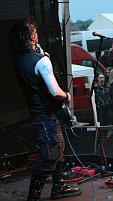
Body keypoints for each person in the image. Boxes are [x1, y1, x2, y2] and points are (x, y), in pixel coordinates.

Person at [9, 18, 81, 200]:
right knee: (51, 155)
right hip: (46, 114)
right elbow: (54, 91)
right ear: (32, 36)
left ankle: (59, 187)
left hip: (38, 113)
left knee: (59, 149)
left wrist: (44, 59)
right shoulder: (40, 61)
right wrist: (67, 95)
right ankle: (33, 196)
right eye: (36, 32)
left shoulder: (20, 59)